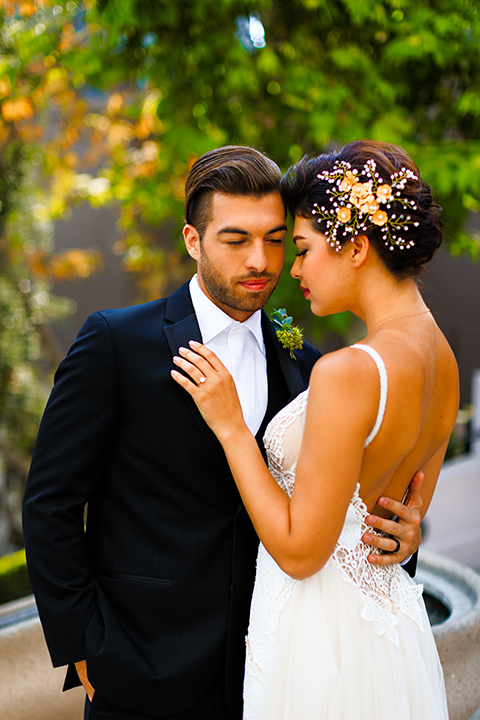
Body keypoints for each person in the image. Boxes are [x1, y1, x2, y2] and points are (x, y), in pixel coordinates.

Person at [23, 145, 422, 720]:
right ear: (193, 241)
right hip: (140, 670)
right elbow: (50, 504)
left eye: (277, 239)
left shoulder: (311, 368)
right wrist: (84, 645)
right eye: (236, 241)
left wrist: (400, 543)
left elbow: (340, 515)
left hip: (274, 673)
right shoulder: (115, 343)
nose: (260, 260)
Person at [171, 140, 458, 719]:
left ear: (355, 247)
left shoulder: (348, 370)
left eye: (300, 248)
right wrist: (407, 537)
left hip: (322, 643)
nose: (291, 268)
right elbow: (395, 512)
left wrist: (231, 429)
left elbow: (302, 552)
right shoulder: (443, 360)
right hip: (390, 631)